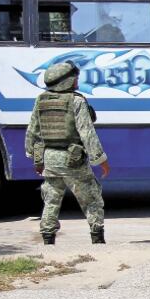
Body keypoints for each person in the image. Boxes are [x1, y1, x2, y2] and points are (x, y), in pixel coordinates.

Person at [25, 61, 110, 245]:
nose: (77, 81)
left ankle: (48, 239)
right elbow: (87, 133)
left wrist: (36, 160)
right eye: (75, 78)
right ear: (66, 81)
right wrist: (100, 160)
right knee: (91, 197)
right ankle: (97, 238)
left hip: (49, 158)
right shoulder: (76, 100)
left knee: (51, 199)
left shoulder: (41, 100)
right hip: (72, 159)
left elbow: (32, 132)